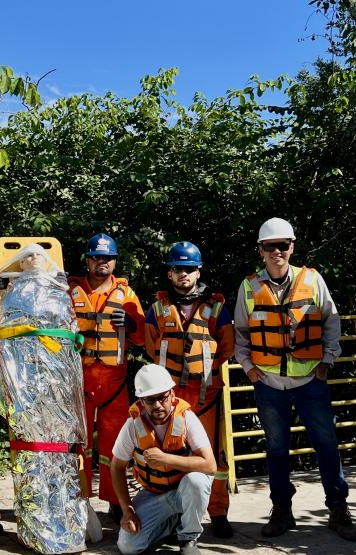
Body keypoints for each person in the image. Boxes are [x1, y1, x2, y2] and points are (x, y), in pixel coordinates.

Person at [233, 217, 356, 541]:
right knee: (276, 450)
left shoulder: (313, 280)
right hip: (270, 385)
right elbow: (240, 333)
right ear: (260, 250)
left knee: (327, 446)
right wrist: (248, 367)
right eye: (269, 246)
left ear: (292, 247)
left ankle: (338, 509)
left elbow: (331, 321)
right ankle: (282, 511)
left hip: (310, 382)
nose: (277, 251)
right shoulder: (249, 287)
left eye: (282, 245)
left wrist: (327, 360)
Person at [144, 241, 235, 538]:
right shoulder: (157, 309)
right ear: (170, 273)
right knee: (173, 454)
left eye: (189, 269)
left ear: (198, 271)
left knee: (214, 457)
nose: (183, 274)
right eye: (177, 269)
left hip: (206, 396)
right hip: (169, 400)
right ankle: (177, 514)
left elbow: (227, 346)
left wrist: (204, 375)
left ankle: (218, 512)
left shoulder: (216, 308)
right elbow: (150, 345)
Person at [67, 232, 145, 521]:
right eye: (97, 257)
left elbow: (142, 337)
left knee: (116, 446)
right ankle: (80, 498)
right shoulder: (69, 291)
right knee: (79, 445)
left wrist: (133, 322)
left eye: (108, 258)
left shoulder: (127, 295)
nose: (103, 262)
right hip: (79, 380)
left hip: (114, 381)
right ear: (88, 260)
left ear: (114, 262)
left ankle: (115, 500)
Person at [110, 364, 215, 555]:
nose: (157, 405)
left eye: (162, 398)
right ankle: (172, 522)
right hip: (154, 493)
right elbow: (117, 467)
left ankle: (188, 538)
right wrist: (127, 510)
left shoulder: (187, 419)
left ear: (172, 395)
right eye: (150, 400)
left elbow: (210, 465)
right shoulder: (132, 426)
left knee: (197, 482)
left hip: (185, 490)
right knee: (129, 547)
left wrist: (166, 459)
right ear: (141, 401)